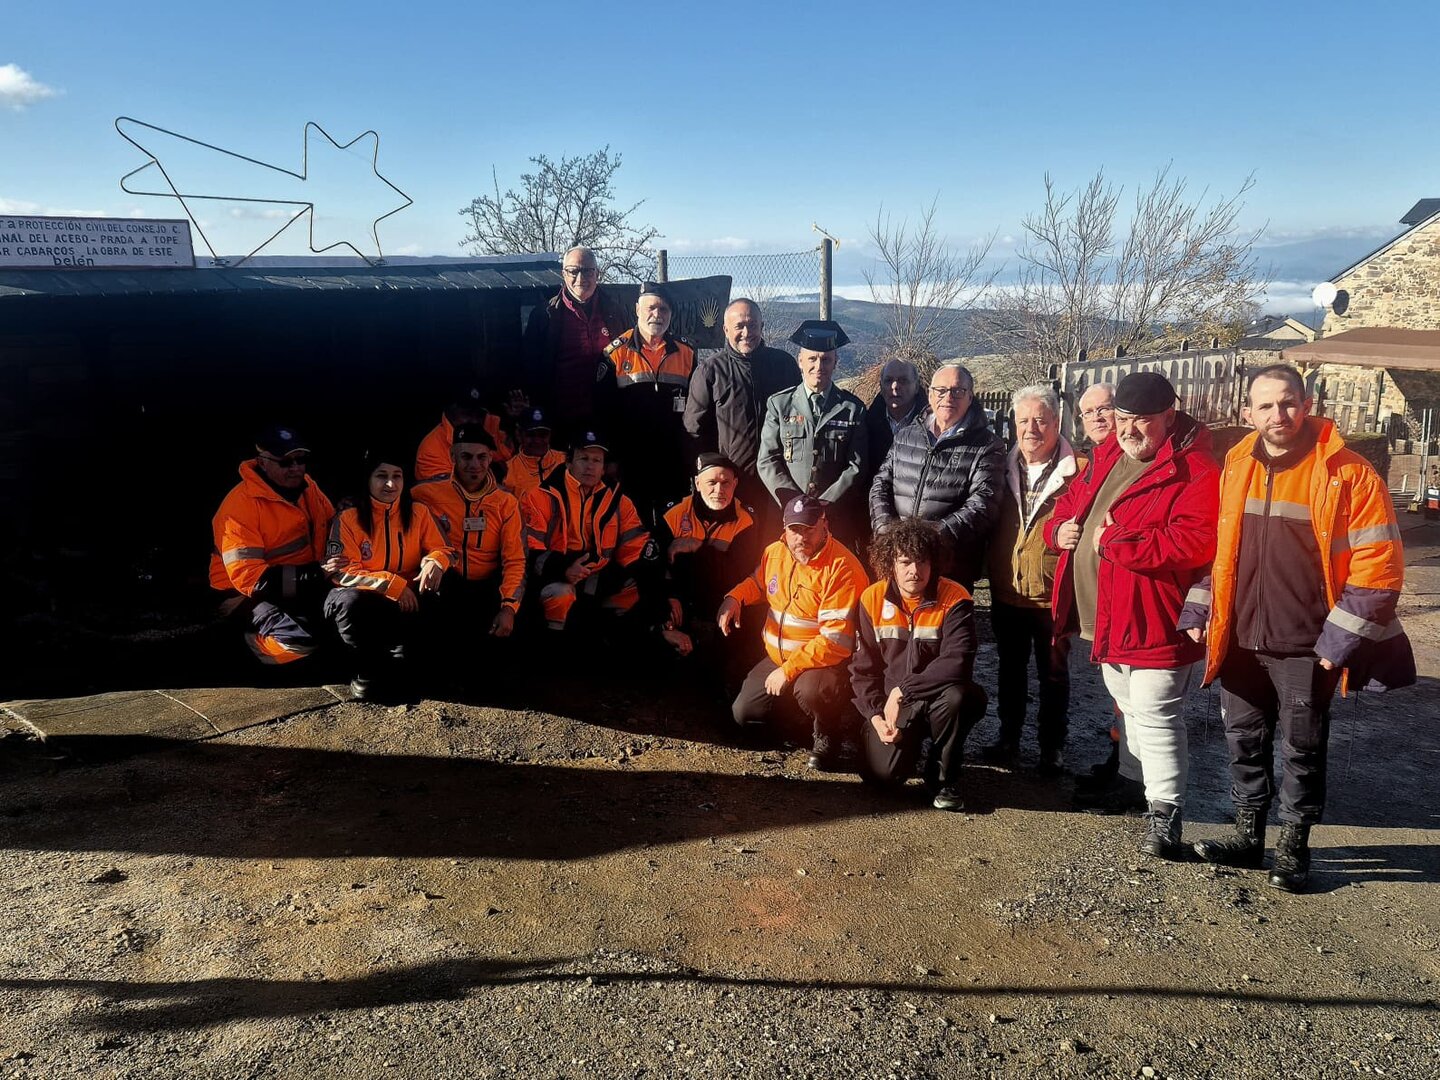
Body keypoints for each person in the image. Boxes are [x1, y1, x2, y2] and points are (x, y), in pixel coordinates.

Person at [1182, 365, 1413, 892]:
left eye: (1287, 403)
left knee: (1302, 748)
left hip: (1309, 644)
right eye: (1265, 405)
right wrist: (1200, 610)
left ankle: (1293, 846)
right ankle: (1248, 838)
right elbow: (1219, 553)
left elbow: (1378, 568)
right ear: (1247, 413)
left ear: (1307, 405)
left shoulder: (1349, 474)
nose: (1277, 415)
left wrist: (1339, 641)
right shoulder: (1236, 464)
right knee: (1243, 739)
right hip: (1240, 638)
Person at [1046, 371, 1219, 860]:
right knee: (1127, 706)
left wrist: (1117, 542)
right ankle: (1129, 781)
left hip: (1155, 616)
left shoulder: (1195, 470)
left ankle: (1166, 816)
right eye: (1122, 418)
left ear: (1169, 415)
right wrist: (1057, 531)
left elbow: (1195, 541)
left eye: (1142, 420)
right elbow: (1069, 506)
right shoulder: (1107, 456)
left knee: (1158, 714)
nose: (1128, 429)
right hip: (1106, 617)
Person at [981, 384, 1086, 776]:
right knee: (1010, 669)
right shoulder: (1000, 466)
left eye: (1040, 421)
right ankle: (1008, 738)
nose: (1031, 429)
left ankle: (1051, 747)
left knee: (1053, 674)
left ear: (1056, 422)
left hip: (1051, 593)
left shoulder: (1078, 471)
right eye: (1023, 420)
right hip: (1007, 588)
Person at [719, 495, 868, 769]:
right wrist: (734, 597)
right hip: (778, 657)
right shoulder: (775, 552)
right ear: (785, 528)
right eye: (795, 529)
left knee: (813, 691)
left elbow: (836, 641)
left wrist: (788, 671)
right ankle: (796, 724)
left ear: (824, 525)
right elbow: (759, 583)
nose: (801, 537)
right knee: (744, 714)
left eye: (809, 529)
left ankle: (828, 735)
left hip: (824, 662)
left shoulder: (843, 567)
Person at [850, 517, 987, 810]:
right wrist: (875, 717)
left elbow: (958, 661)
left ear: (934, 562)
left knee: (961, 697)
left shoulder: (955, 597)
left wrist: (902, 691)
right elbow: (862, 669)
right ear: (891, 564)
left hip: (936, 698)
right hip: (893, 706)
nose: (915, 570)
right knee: (882, 777)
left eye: (923, 561)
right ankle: (906, 750)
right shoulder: (872, 598)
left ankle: (943, 779)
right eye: (905, 562)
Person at [521, 428, 675, 649]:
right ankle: (553, 651)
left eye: (596, 460)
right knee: (562, 595)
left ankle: (615, 643)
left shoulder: (619, 500)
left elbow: (636, 549)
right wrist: (564, 568)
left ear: (604, 468)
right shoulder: (539, 497)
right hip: (555, 576)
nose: (590, 466)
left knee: (640, 589)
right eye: (583, 458)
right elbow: (529, 551)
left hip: (598, 576)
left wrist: (663, 597)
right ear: (568, 462)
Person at [323, 449, 450, 701]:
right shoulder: (348, 518)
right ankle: (364, 668)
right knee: (349, 601)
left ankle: (408, 657)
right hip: (370, 598)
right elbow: (341, 572)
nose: (390, 484)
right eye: (382, 476)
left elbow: (443, 548)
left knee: (446, 585)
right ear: (368, 479)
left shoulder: (419, 512)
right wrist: (392, 585)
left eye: (397, 476)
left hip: (408, 600)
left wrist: (436, 560)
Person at [869, 362, 1004, 589]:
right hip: (900, 561)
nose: (948, 397)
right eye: (941, 390)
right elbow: (880, 485)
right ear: (930, 395)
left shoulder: (987, 446)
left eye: (957, 391)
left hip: (950, 567)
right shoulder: (906, 435)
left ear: (970, 397)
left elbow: (983, 505)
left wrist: (928, 541)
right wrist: (887, 531)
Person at [209, 425, 335, 667]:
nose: (296, 468)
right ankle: (242, 645)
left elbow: (331, 523)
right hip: (244, 594)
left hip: (299, 583)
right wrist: (316, 575)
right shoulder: (240, 506)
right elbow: (251, 579)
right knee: (299, 641)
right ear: (262, 462)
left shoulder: (308, 486)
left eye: (301, 460)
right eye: (285, 462)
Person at [683, 298, 799, 521]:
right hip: (733, 486)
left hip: (781, 482)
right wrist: (713, 479)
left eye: (752, 325)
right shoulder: (710, 371)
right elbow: (695, 432)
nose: (747, 333)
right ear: (726, 330)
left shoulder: (784, 365)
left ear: (762, 326)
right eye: (739, 326)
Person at [412, 425, 526, 648]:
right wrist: (350, 504)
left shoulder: (506, 503)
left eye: (481, 457)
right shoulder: (425, 492)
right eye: (466, 456)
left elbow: (515, 560)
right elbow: (389, 503)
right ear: (452, 456)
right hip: (448, 581)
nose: (474, 464)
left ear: (490, 458)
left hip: (488, 586)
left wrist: (508, 607)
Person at [757, 320, 869, 544]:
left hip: (833, 520)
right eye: (812, 359)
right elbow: (767, 460)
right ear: (800, 361)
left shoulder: (852, 408)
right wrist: (794, 503)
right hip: (788, 517)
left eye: (826, 360)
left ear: (835, 362)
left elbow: (856, 466)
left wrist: (824, 505)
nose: (819, 366)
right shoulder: (780, 405)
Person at [651, 453, 762, 676]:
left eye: (725, 483)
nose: (719, 490)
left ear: (735, 484)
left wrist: (697, 547)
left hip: (721, 600)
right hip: (679, 599)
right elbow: (652, 566)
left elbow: (735, 574)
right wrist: (668, 598)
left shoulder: (746, 519)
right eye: (712, 482)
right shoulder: (673, 513)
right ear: (697, 483)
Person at [595, 284, 696, 528]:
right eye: (651, 308)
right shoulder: (615, 353)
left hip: (672, 459)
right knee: (632, 526)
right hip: (630, 459)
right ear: (637, 310)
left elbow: (696, 408)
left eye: (664, 309)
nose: (657, 314)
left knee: (673, 525)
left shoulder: (687, 353)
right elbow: (603, 412)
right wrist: (611, 458)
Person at [523, 245, 630, 427]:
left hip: (607, 416)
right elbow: (531, 368)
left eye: (587, 271)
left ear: (597, 274)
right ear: (564, 274)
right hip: (559, 418)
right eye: (573, 271)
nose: (581, 278)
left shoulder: (615, 312)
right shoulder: (545, 315)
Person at [415, 387, 513, 485]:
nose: (474, 421)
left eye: (479, 415)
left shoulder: (488, 429)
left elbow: (513, 460)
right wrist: (493, 489)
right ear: (450, 413)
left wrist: (513, 421)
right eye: (467, 414)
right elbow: (442, 490)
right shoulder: (431, 448)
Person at [863, 356, 924, 489]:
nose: (895, 386)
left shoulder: (932, 426)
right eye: (888, 381)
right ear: (881, 387)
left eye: (903, 380)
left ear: (916, 386)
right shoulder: (866, 426)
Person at [502, 407, 567, 498]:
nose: (537, 440)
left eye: (542, 435)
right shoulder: (509, 469)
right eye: (531, 435)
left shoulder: (566, 461)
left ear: (550, 435)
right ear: (519, 435)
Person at [1076, 383, 1117, 450]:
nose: (1096, 418)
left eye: (1103, 409)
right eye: (1088, 413)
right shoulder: (1079, 456)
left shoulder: (1130, 452)